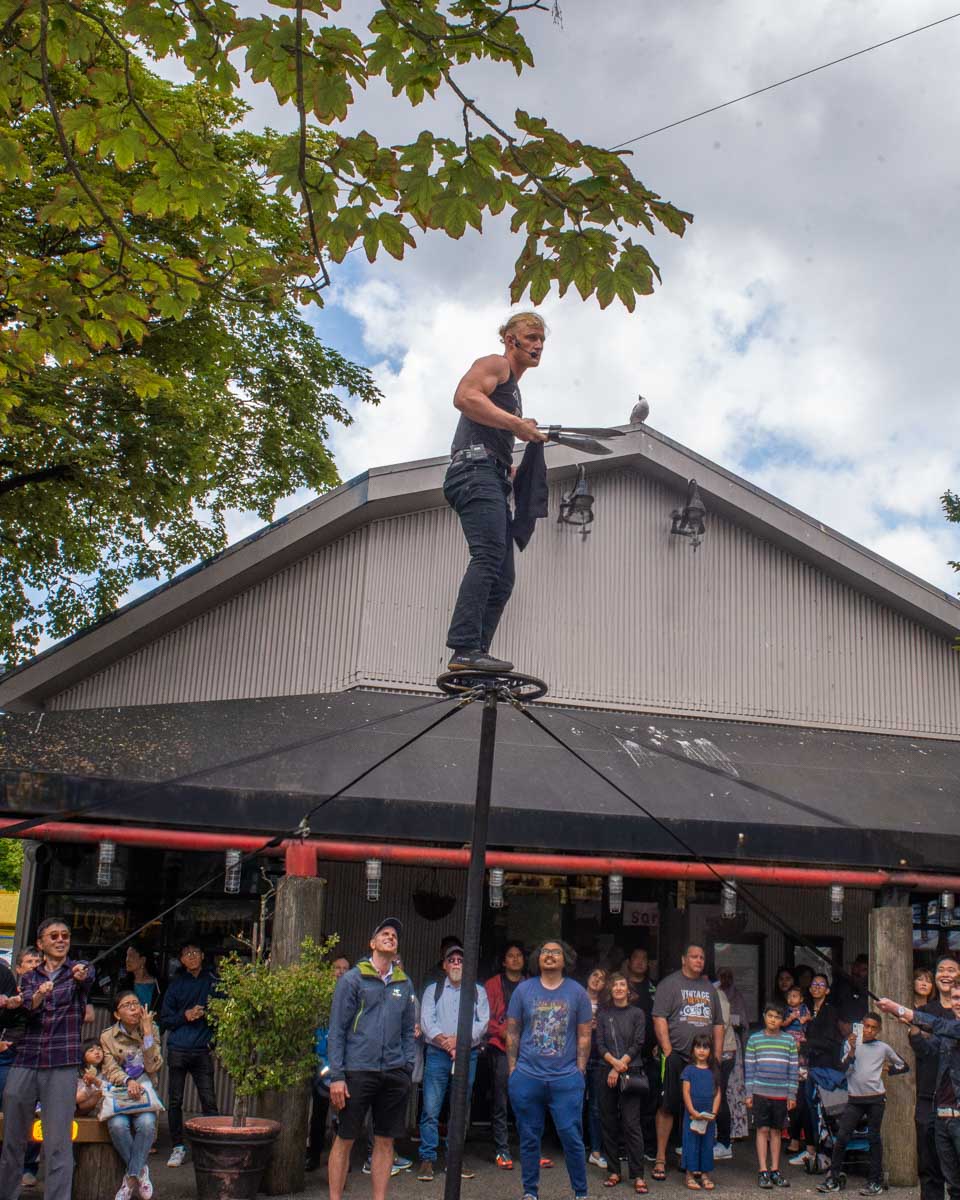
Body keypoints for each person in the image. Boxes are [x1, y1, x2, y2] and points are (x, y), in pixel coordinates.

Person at [444, 311, 548, 674]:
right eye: (531, 337)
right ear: (510, 339)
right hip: (473, 471)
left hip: (491, 474)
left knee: (504, 577)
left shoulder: (513, 392)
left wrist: (514, 468)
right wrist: (517, 425)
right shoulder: (495, 365)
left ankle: (474, 659)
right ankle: (464, 648)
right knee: (488, 557)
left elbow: (493, 427)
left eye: (541, 340)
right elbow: (465, 397)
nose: (537, 345)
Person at [0, 918, 95, 1200]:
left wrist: (82, 974)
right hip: (26, 1059)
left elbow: (88, 975)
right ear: (41, 943)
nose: (60, 939)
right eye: (53, 936)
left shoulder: (78, 971)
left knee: (57, 1143)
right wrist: (37, 996)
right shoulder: (30, 977)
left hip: (61, 1063)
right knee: (13, 1141)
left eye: (65, 935)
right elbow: (26, 1007)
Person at [327, 918, 416, 1200]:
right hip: (357, 1071)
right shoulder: (353, 979)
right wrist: (337, 1076)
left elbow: (407, 1030)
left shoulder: (404, 982)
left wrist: (406, 1068)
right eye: (384, 934)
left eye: (394, 935)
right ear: (372, 943)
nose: (391, 937)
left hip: (393, 1071)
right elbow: (337, 1030)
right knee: (345, 1139)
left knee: (385, 1140)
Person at [506, 940, 593, 1200]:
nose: (550, 956)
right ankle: (530, 1192)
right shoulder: (523, 990)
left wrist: (579, 1071)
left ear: (565, 959)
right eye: (545, 952)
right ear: (538, 958)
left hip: (565, 1079)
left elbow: (585, 1035)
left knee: (571, 1137)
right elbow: (512, 1031)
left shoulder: (577, 993)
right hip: (527, 1076)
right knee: (529, 1137)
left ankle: (581, 1192)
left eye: (556, 952)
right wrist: (513, 1070)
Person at [879, 984, 960, 1200]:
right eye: (955, 998)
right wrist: (913, 1029)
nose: (958, 1002)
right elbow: (929, 1049)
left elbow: (939, 1025)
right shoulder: (949, 1031)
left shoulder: (951, 1028)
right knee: (953, 1185)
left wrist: (900, 1009)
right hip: (943, 1114)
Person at [650, 944, 724, 1181]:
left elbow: (718, 1024)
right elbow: (658, 1016)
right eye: (694, 956)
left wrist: (718, 1055)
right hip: (677, 1057)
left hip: (703, 1062)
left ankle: (691, 1162)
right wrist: (668, 1050)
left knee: (698, 1108)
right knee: (667, 1106)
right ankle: (661, 1158)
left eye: (702, 957)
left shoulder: (709, 989)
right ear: (684, 959)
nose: (699, 960)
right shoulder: (669, 984)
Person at [416, 943, 489, 1181]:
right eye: (452, 960)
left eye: (461, 960)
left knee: (460, 1109)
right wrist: (446, 1042)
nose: (457, 964)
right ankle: (427, 1159)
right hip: (438, 1054)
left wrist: (460, 1040)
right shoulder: (432, 990)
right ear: (445, 965)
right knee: (431, 1108)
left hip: (468, 1055)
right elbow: (427, 1020)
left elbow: (482, 1023)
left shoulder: (478, 991)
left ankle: (454, 1160)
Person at [816, 1011, 908, 1196]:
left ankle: (874, 1181)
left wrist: (887, 1070)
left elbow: (904, 1065)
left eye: (874, 1028)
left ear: (879, 1030)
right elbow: (842, 1068)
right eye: (866, 1026)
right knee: (842, 1137)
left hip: (876, 1098)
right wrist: (851, 1050)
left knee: (874, 1138)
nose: (869, 1031)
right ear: (860, 1026)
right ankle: (833, 1178)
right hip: (855, 1099)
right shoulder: (851, 1044)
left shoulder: (883, 1047)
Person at [159, 942, 219, 1167]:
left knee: (209, 1100)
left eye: (196, 952)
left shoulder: (213, 981)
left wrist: (207, 1014)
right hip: (178, 1048)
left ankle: (211, 1145)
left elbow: (224, 1011)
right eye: (187, 954)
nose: (192, 957)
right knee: (175, 1100)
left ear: (203, 955)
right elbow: (165, 1020)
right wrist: (185, 1015)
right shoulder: (176, 985)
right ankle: (178, 1146)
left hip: (203, 1048)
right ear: (181, 960)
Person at [101, 989, 163, 1200]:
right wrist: (128, 1081)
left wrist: (146, 1034)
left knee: (146, 1124)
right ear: (117, 1013)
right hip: (120, 1092)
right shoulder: (108, 1036)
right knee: (117, 1125)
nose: (134, 1008)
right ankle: (141, 1171)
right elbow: (109, 1069)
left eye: (136, 1003)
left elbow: (153, 1066)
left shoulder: (151, 1028)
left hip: (144, 1093)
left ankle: (130, 1178)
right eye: (127, 1005)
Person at [908, 962, 956, 1200]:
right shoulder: (927, 1010)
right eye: (941, 970)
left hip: (956, 1101)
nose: (945, 974)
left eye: (952, 970)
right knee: (928, 1167)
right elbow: (924, 1051)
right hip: (929, 1096)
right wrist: (915, 1033)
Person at [596, 972, 648, 1193]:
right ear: (610, 990)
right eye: (614, 984)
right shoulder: (603, 1013)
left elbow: (639, 1043)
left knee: (631, 1124)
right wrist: (613, 1064)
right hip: (606, 1071)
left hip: (631, 1072)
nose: (618, 988)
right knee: (608, 1122)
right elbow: (599, 1045)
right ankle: (613, 1171)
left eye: (622, 984)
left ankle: (638, 1175)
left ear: (628, 990)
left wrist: (619, 1065)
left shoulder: (637, 1013)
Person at [787, 972, 842, 1168]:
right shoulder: (806, 1010)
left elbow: (829, 1040)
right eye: (814, 984)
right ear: (810, 989)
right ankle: (811, 1150)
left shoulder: (830, 1011)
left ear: (827, 990)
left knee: (821, 1109)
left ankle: (823, 1152)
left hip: (825, 1065)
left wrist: (806, 1044)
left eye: (821, 984)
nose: (817, 987)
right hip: (807, 1064)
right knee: (805, 1104)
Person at [0, 948, 43, 1190]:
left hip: (37, 1056)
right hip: (9, 1054)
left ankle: (29, 1166)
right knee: (8, 1105)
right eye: (28, 961)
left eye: (37, 961)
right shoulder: (10, 989)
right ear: (18, 968)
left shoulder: (51, 990)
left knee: (34, 1107)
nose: (33, 964)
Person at [744, 1002, 798, 1188]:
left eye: (777, 1017)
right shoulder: (754, 1040)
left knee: (776, 1131)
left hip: (781, 1094)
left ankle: (775, 1169)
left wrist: (792, 1094)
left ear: (783, 1021)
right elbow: (749, 1069)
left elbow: (793, 1069)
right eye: (770, 1016)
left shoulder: (789, 1041)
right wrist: (749, 1092)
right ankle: (763, 1170)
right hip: (760, 1092)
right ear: (764, 1016)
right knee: (762, 1130)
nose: (773, 1020)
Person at [307, 953, 351, 1172]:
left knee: (343, 1118)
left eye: (345, 968)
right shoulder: (320, 998)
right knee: (319, 1114)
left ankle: (341, 1164)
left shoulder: (353, 996)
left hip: (346, 1065)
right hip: (322, 1063)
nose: (341, 972)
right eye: (337, 968)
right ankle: (313, 1155)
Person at [485, 941, 526, 1169]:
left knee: (527, 1101)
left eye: (519, 955)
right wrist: (502, 1032)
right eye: (511, 955)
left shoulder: (530, 984)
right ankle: (502, 1149)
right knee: (501, 1100)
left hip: (526, 1050)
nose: (515, 959)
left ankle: (529, 1149)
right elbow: (484, 1015)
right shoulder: (492, 984)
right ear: (503, 961)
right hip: (500, 1048)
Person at [681, 1034, 720, 1191]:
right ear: (693, 1050)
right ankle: (690, 1175)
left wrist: (714, 1113)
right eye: (698, 1047)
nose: (702, 1051)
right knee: (691, 1143)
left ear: (710, 1050)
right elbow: (686, 1092)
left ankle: (705, 1175)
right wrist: (692, 1111)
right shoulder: (689, 1070)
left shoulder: (714, 1070)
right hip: (692, 1114)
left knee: (707, 1144)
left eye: (705, 1047)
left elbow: (718, 1094)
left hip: (708, 1117)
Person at [584, 966, 609, 1171]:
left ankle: (596, 1150)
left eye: (601, 979)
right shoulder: (575, 997)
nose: (597, 980)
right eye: (594, 975)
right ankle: (571, 1146)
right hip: (575, 1057)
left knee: (595, 1106)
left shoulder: (606, 1005)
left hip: (598, 1057)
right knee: (572, 1103)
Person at [120, 943, 162, 1010]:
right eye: (127, 956)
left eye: (131, 956)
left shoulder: (159, 985)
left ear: (143, 960)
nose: (127, 960)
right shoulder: (124, 984)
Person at [834, 955, 870, 1031]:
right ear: (852, 967)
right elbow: (831, 1007)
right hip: (838, 1033)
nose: (859, 972)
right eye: (857, 967)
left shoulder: (871, 990)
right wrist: (839, 1023)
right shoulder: (840, 986)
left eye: (864, 970)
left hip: (862, 1032)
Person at [75, 1041, 104, 1115]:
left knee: (100, 1093)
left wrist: (95, 1081)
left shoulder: (105, 1070)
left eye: (99, 1049)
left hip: (98, 1109)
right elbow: (75, 1099)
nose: (97, 1052)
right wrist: (88, 1086)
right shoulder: (77, 1073)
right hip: (78, 1106)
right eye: (91, 1050)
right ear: (83, 1056)